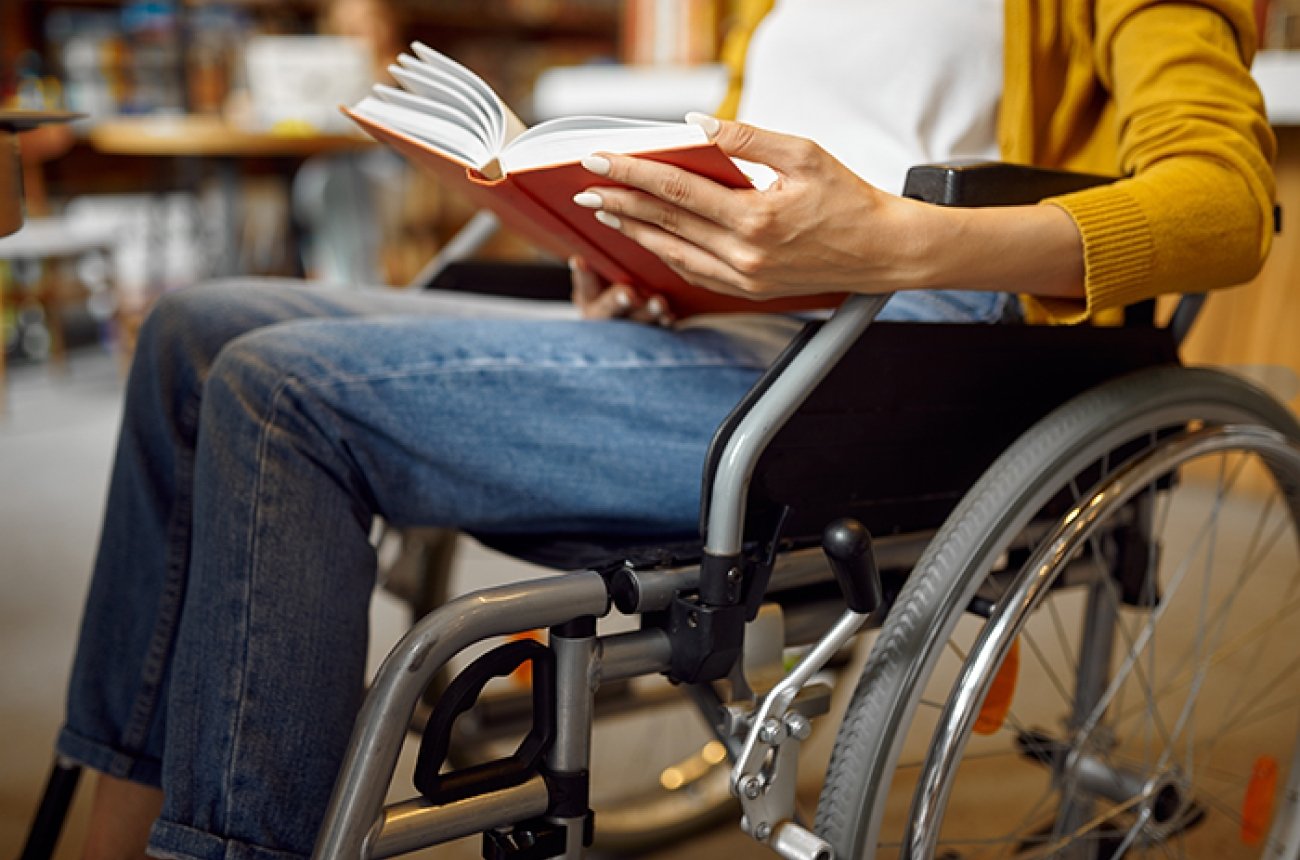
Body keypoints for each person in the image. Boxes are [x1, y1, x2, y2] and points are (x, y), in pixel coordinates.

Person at [58, 1, 1274, 859]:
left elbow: (1226, 207)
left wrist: (896, 241)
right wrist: (642, 250)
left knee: (282, 391)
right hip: (731, 330)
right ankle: (113, 830)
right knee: (192, 327)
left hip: (900, 353)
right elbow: (754, 188)